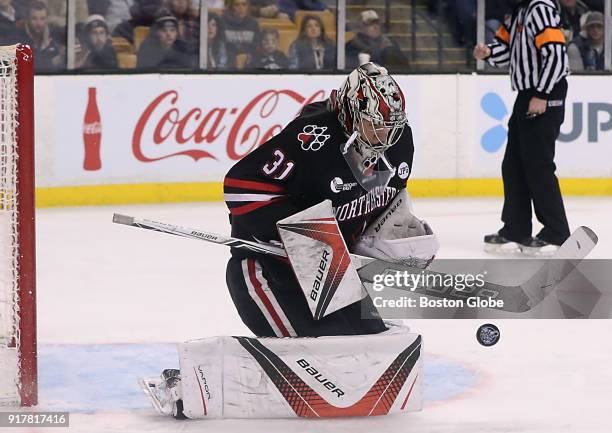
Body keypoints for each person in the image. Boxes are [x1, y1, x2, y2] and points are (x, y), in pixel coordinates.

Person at [474, 0, 571, 254]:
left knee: (538, 165)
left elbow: (556, 54)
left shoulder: (540, 9)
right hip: (528, 93)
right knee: (514, 164)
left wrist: (542, 94)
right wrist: (488, 52)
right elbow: (507, 49)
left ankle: (557, 232)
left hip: (544, 92)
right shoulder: (518, 12)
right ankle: (516, 228)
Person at [13, 1, 65, 72]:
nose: (39, 23)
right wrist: (52, 61)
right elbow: (27, 66)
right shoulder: (17, 38)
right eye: (34, 18)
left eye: (42, 19)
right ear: (27, 19)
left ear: (47, 19)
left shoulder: (54, 35)